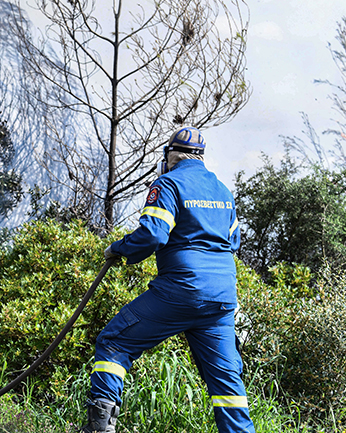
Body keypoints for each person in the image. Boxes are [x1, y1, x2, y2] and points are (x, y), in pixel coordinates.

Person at [83, 126, 255, 433]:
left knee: (113, 342)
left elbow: (153, 233)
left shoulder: (168, 184)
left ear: (170, 156)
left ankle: (100, 428)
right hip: (222, 295)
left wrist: (119, 248)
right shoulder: (222, 191)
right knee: (226, 380)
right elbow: (234, 242)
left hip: (183, 288)